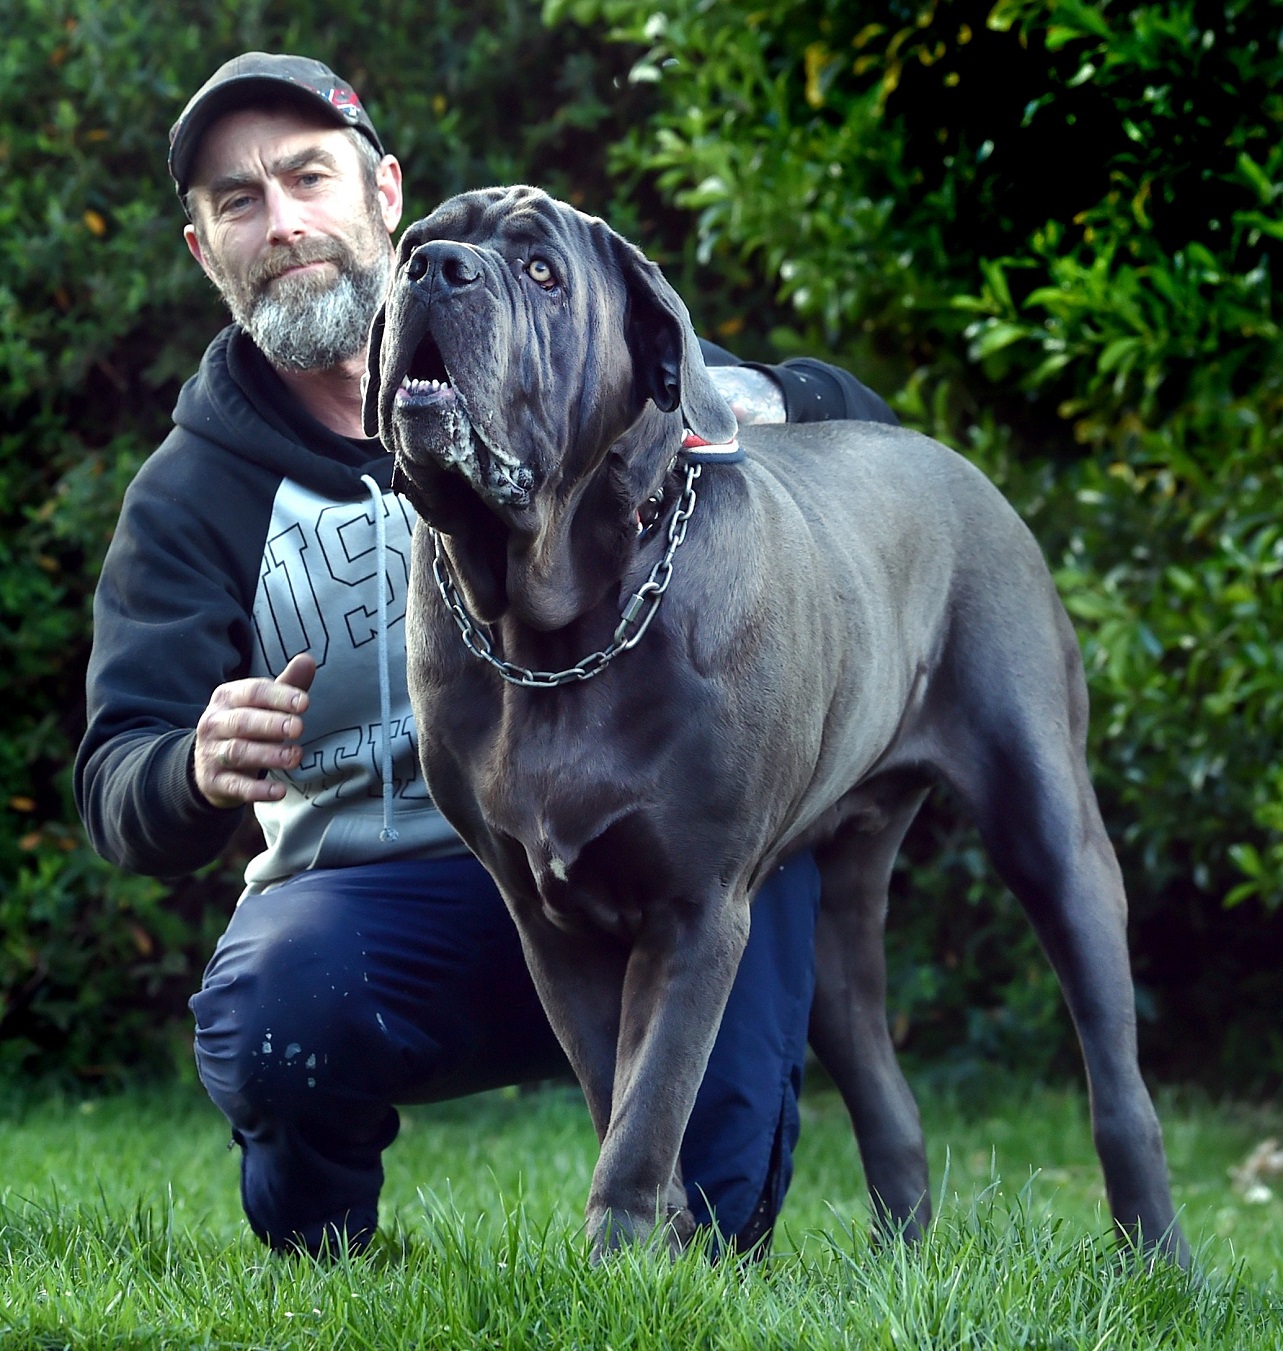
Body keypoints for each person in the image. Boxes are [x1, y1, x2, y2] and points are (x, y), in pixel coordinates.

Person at [74, 52, 899, 1259]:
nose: (285, 221)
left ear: (384, 193)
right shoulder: (192, 494)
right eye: (238, 201)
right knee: (273, 1005)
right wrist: (188, 768)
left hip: (650, 870)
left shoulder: (570, 364)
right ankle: (326, 1258)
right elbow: (111, 782)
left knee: (740, 845)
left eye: (309, 176)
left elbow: (851, 437)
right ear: (205, 250)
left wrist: (765, 404)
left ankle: (698, 1259)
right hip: (397, 913)